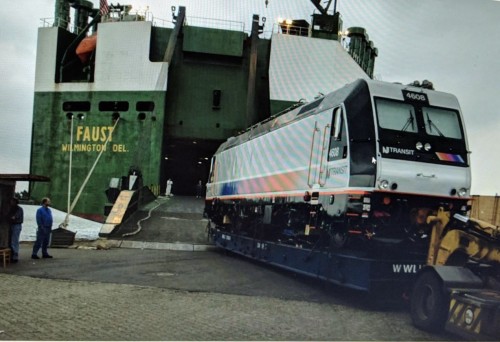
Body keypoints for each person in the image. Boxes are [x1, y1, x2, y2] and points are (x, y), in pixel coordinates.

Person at [9, 198, 23, 263]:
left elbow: (15, 217)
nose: (11, 203)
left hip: (17, 225)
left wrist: (11, 217)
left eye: (12, 202)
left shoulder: (19, 209)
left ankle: (15, 256)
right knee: (11, 240)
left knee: (14, 240)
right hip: (12, 225)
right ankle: (12, 255)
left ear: (15, 202)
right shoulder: (12, 209)